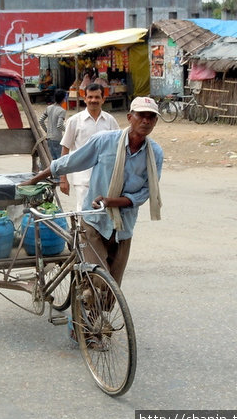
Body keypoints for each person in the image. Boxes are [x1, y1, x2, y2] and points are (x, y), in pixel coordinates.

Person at [20, 97, 163, 289]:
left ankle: (94, 314)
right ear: (130, 117)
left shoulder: (155, 153)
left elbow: (146, 192)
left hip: (123, 227)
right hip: (94, 221)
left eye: (151, 117)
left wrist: (112, 201)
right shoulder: (105, 141)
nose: (146, 121)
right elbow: (70, 162)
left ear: (155, 121)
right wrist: (36, 179)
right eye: (141, 115)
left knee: (113, 291)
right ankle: (86, 308)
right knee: (101, 280)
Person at [59, 83, 120, 209]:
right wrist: (63, 178)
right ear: (84, 98)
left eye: (97, 97)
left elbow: (119, 149)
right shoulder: (75, 121)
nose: (93, 100)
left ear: (103, 99)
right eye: (90, 97)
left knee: (104, 213)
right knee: (84, 211)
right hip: (82, 177)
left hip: (106, 177)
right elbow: (65, 149)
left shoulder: (110, 121)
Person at [39, 89, 67, 160]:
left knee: (50, 158)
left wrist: (46, 130)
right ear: (63, 99)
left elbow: (41, 120)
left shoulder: (49, 108)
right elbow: (59, 125)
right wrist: (67, 130)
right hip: (57, 138)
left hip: (49, 137)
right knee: (59, 159)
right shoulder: (62, 111)